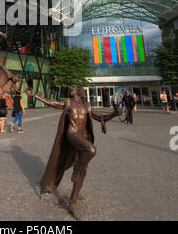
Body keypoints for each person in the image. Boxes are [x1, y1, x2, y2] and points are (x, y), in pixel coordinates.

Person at [25, 85, 118, 220]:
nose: (71, 88)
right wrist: (34, 95)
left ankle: (72, 202)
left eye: (73, 87)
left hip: (83, 137)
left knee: (82, 171)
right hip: (72, 134)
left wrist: (115, 114)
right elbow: (52, 103)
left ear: (79, 91)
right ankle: (77, 169)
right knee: (91, 150)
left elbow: (101, 119)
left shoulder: (87, 105)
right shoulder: (68, 103)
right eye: (70, 87)